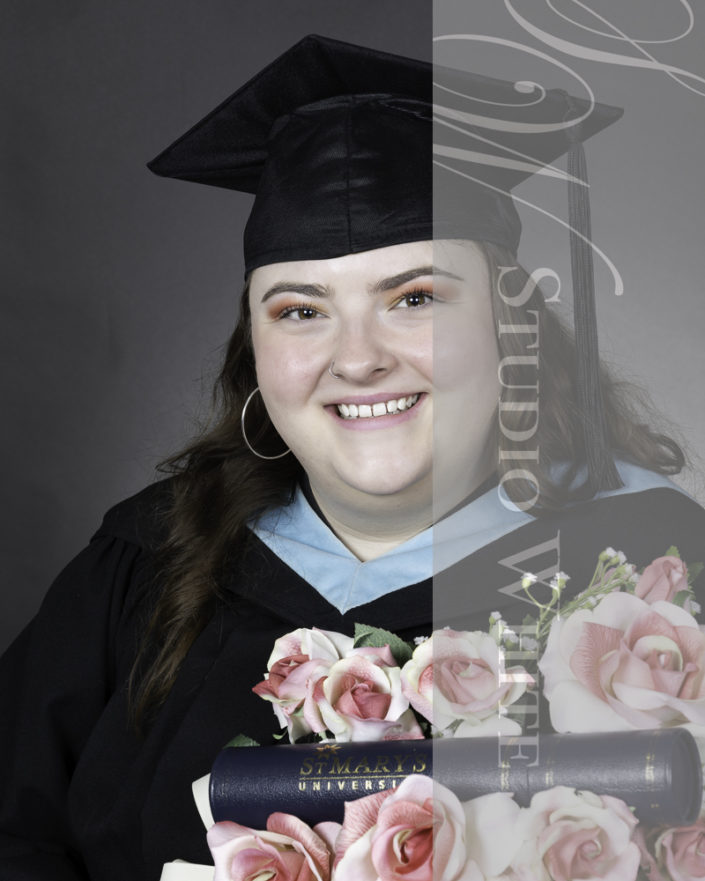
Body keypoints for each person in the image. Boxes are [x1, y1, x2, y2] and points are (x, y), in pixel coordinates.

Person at [1, 33, 704, 881]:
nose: (358, 358)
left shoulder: (655, 574)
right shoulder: (143, 567)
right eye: (300, 310)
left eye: (414, 297)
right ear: (254, 345)